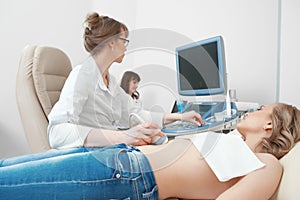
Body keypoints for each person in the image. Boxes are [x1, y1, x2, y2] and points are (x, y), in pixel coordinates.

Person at [1, 103, 300, 199]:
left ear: (270, 125)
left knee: (8, 185)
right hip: (121, 155)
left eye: (262, 109)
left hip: (127, 175)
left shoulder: (267, 164)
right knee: (5, 169)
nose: (255, 110)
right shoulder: (231, 139)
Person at [47, 12, 202, 149]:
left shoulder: (111, 82)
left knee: (175, 147)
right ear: (112, 42)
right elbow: (57, 132)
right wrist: (123, 136)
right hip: (91, 155)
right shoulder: (82, 75)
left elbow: (135, 113)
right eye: (124, 40)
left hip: (111, 150)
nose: (126, 46)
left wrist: (180, 117)